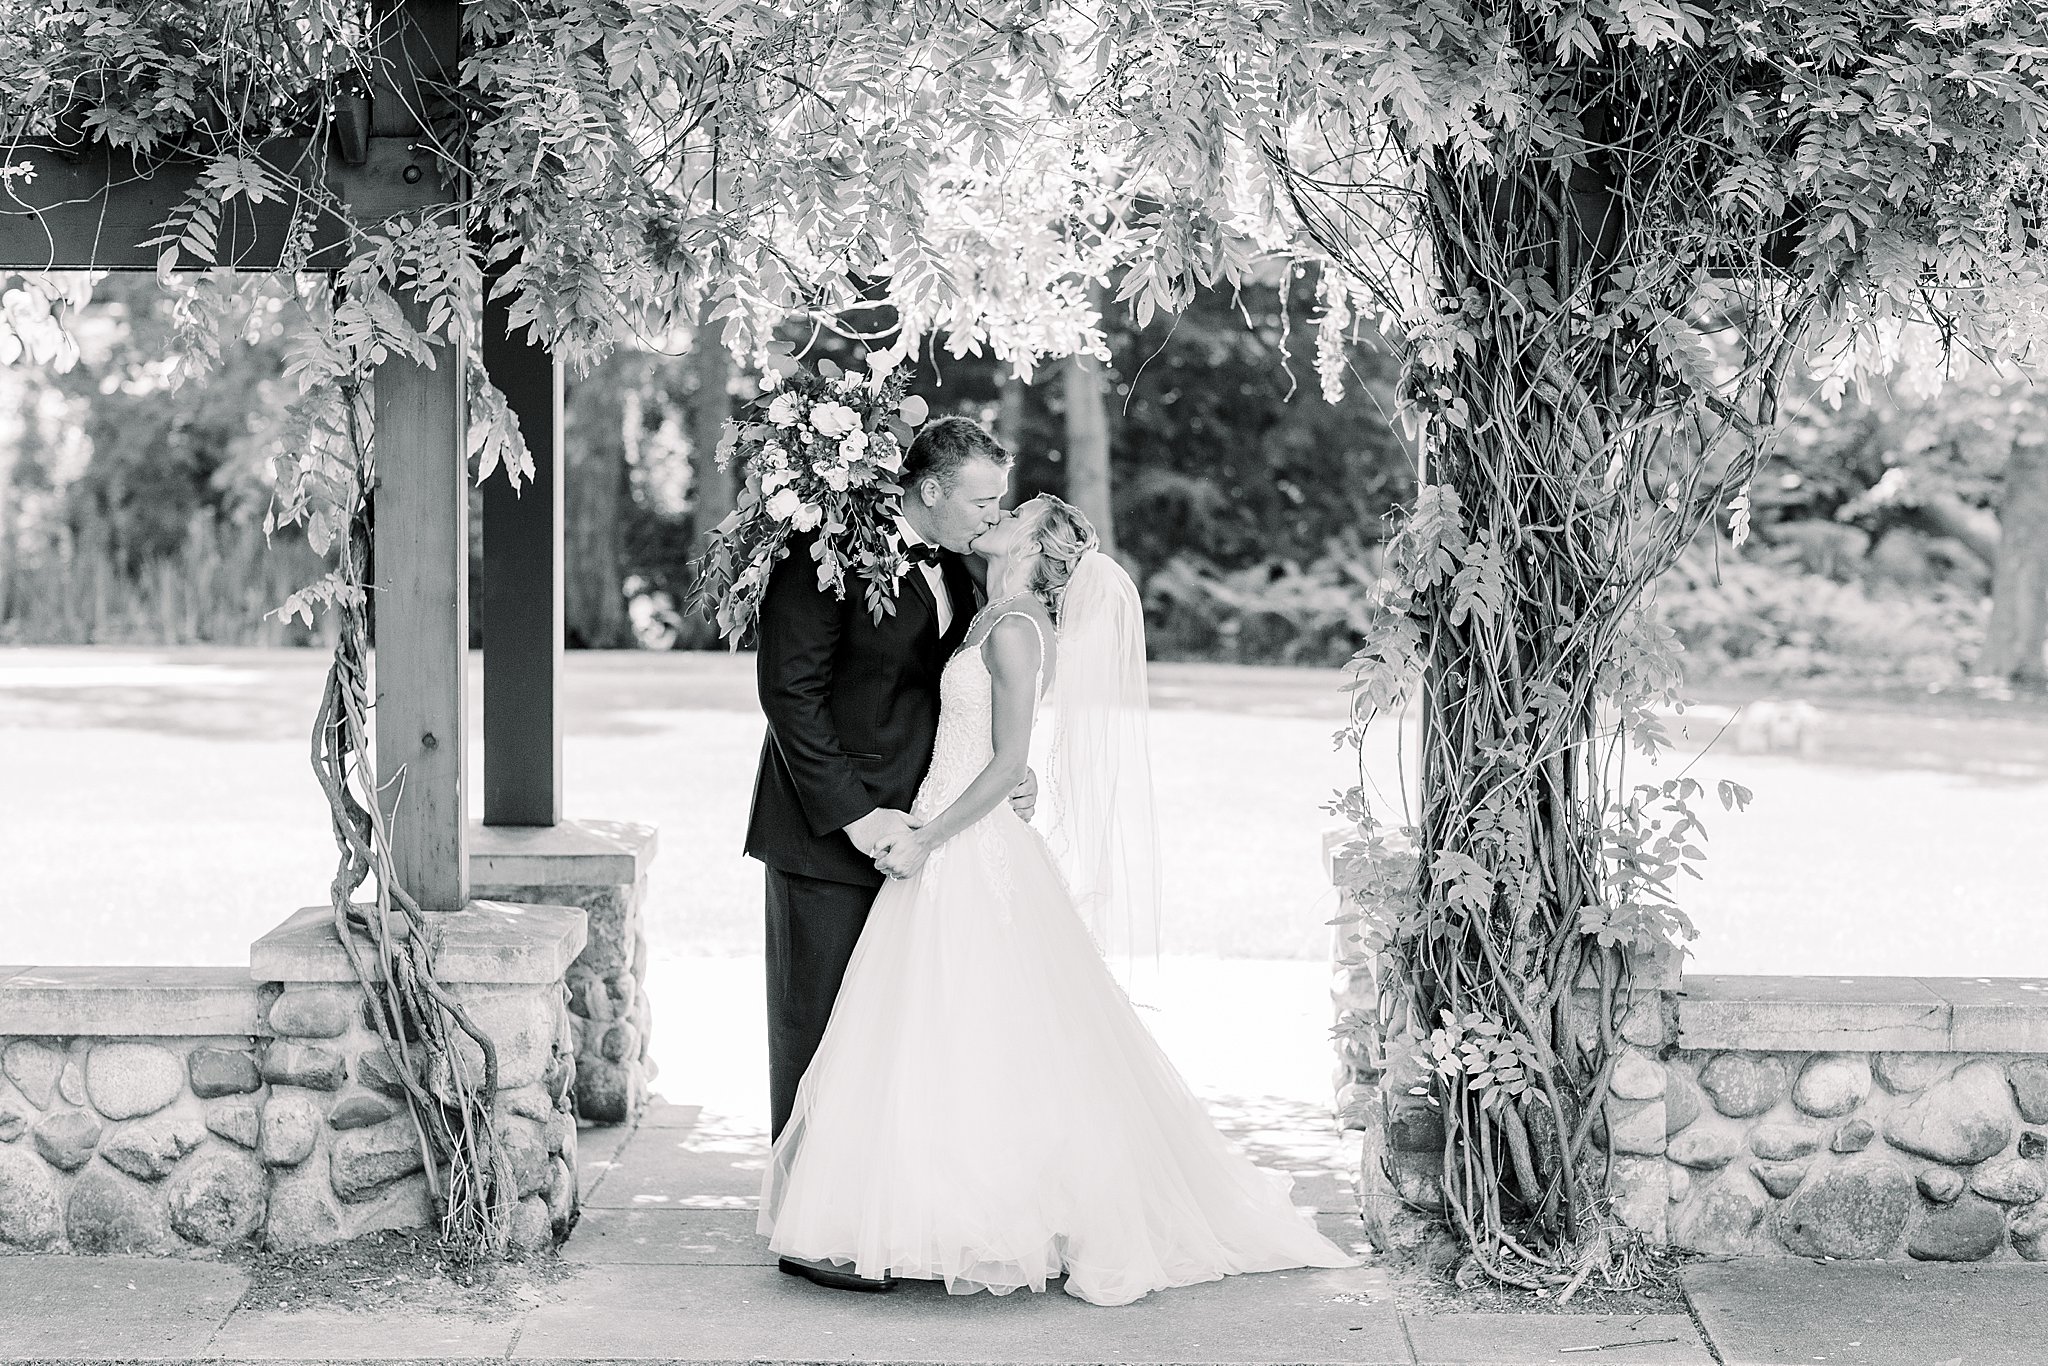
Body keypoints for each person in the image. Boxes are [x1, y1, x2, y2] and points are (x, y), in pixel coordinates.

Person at [757, 494, 1357, 1306]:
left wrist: (936, 832)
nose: (994, 513)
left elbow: (1003, 762)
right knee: (939, 1029)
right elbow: (986, 742)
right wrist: (991, 785)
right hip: (940, 825)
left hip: (959, 842)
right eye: (990, 501)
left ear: (1038, 545)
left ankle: (989, 1213)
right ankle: (928, 1208)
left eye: (1013, 511)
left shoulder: (1012, 625)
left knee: (977, 1024)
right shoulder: (980, 606)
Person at [745, 415, 1036, 1293]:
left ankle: (873, 1211)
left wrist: (1001, 782)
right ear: (931, 490)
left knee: (886, 1035)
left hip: (924, 835)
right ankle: (807, 1231)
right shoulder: (824, 550)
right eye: (981, 499)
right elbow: (788, 692)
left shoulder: (956, 568)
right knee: (818, 1027)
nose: (995, 515)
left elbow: (961, 697)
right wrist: (855, 817)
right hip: (826, 834)